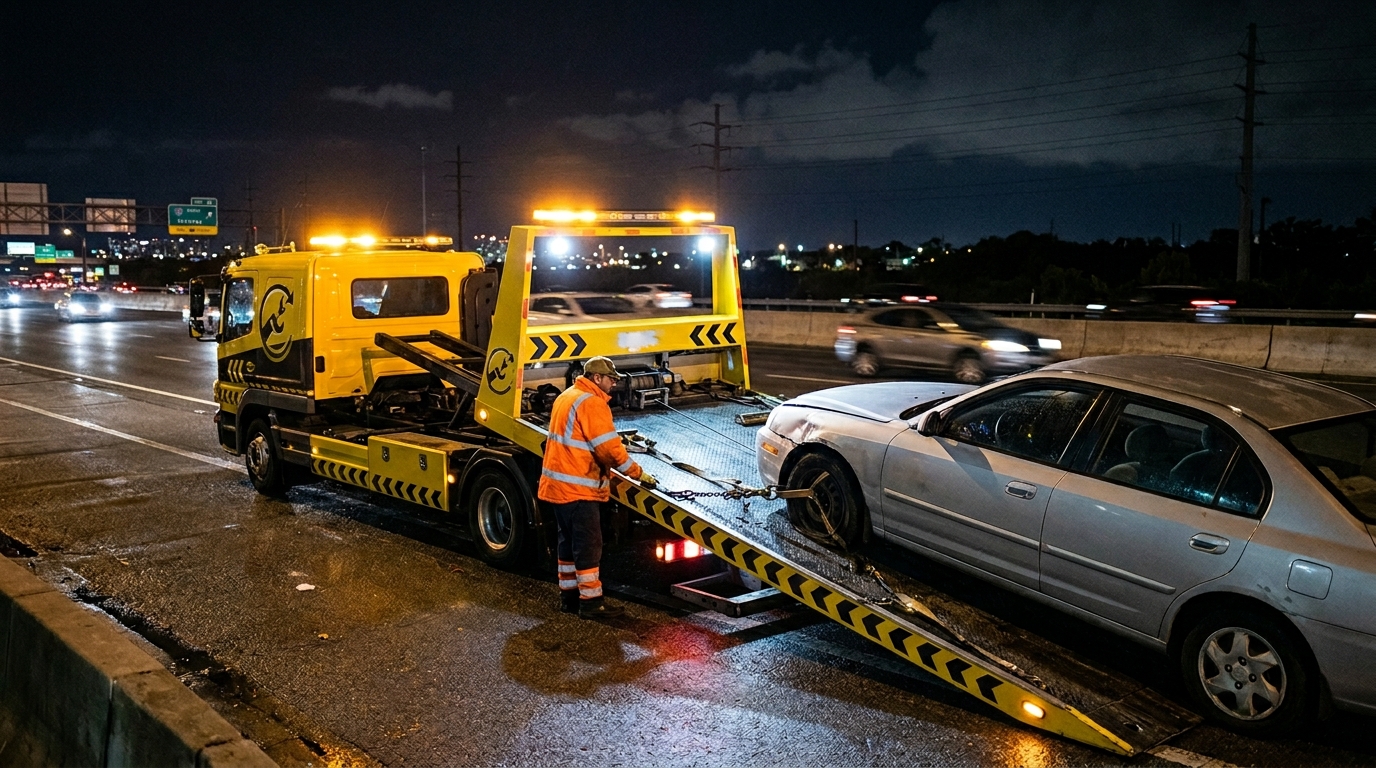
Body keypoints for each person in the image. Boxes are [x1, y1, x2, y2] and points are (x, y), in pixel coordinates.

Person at [538, 356, 657, 618]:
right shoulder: (592, 403)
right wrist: (638, 474)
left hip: (558, 486)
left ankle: (568, 597)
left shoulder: (567, 396)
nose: (613, 384)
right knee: (589, 546)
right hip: (579, 489)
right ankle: (591, 604)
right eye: (610, 379)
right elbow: (609, 450)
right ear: (596, 378)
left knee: (567, 544)